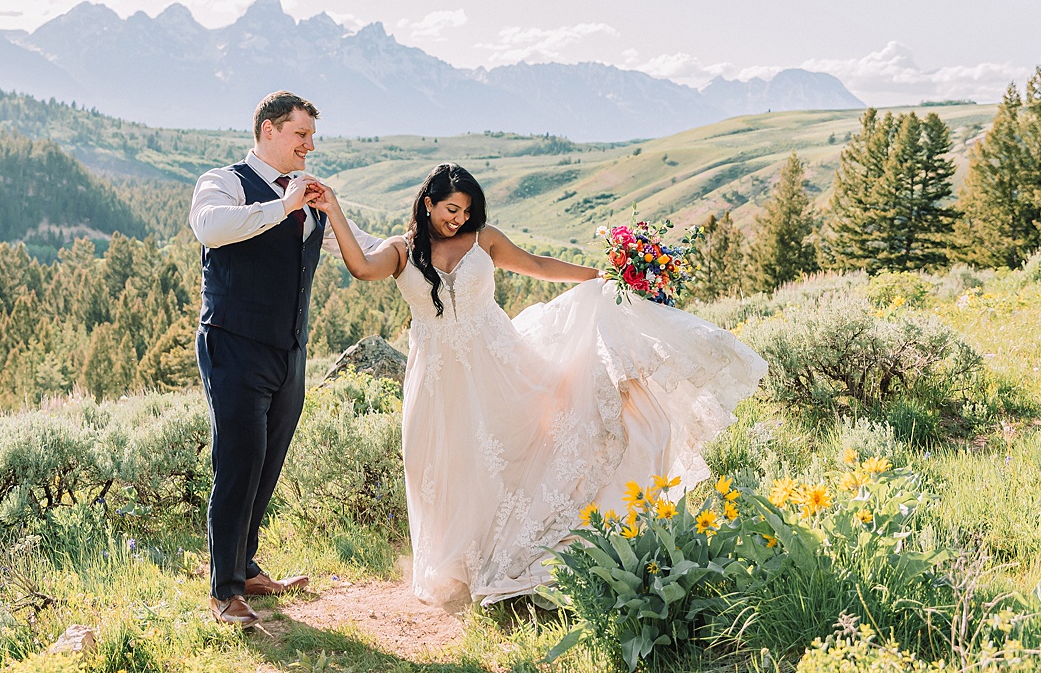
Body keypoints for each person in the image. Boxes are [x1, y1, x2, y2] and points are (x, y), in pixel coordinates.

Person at [309, 163, 768, 607]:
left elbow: (535, 265)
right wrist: (333, 210)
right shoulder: (401, 250)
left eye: (467, 211)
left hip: (499, 365)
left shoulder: (482, 240)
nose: (460, 219)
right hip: (436, 379)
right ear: (428, 204)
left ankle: (513, 555)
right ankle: (465, 564)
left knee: (522, 446)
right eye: (452, 210)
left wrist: (599, 279)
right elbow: (361, 267)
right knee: (447, 466)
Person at [189, 91, 380, 628]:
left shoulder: (310, 194)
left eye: (312, 137)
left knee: (268, 459)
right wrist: (284, 206)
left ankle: (245, 567)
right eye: (301, 136)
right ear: (269, 130)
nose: (309, 147)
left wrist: (437, 236)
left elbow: (365, 247)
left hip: (289, 349)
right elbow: (211, 228)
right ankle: (224, 592)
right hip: (233, 343)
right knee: (239, 459)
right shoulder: (222, 181)